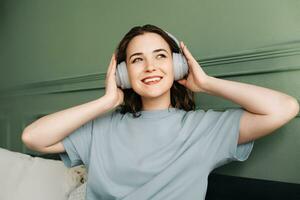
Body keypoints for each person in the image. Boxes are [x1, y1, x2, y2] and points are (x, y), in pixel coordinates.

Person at [22, 24, 299, 200]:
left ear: (178, 66)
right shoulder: (100, 127)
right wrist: (106, 101)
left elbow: (285, 108)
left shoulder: (205, 129)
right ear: (123, 74)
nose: (150, 66)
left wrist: (206, 83)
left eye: (160, 55)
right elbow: (33, 137)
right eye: (137, 60)